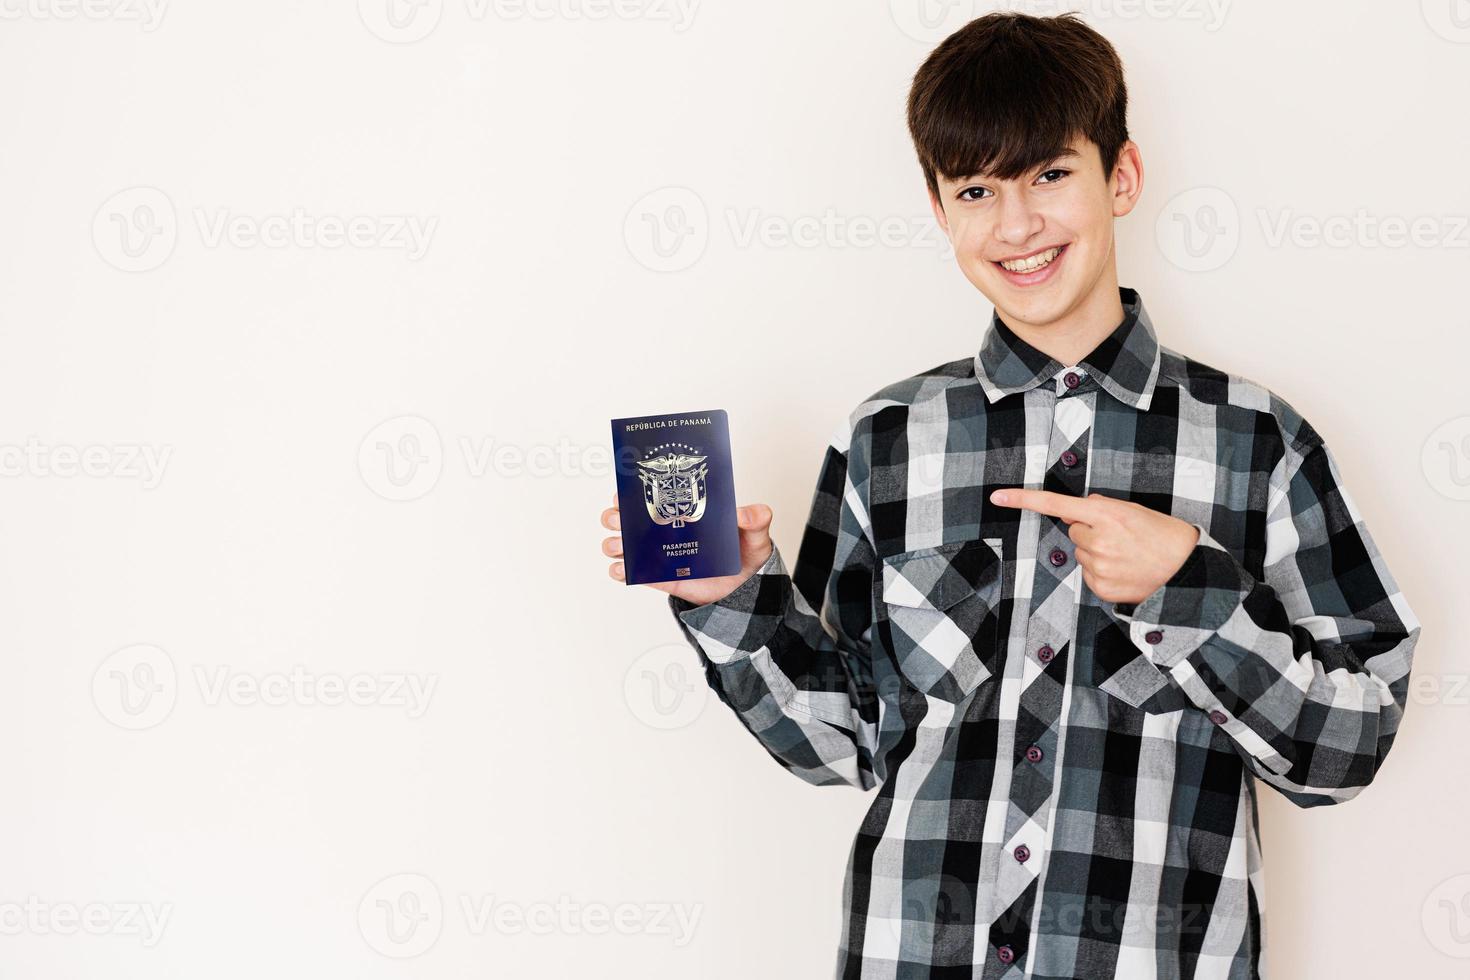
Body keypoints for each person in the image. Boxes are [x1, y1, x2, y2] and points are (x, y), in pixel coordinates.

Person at [599, 11, 1420, 978]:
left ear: (1122, 177)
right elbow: (844, 742)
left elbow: (1349, 747)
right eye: (977, 188)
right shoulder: (885, 440)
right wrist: (733, 602)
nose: (1016, 224)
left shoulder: (1258, 442)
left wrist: (1187, 590)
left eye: (1050, 175)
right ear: (940, 210)